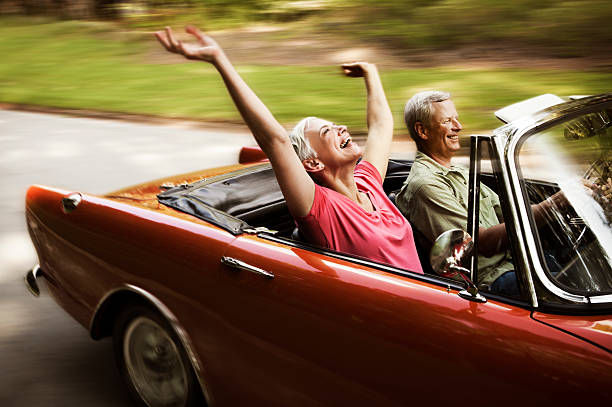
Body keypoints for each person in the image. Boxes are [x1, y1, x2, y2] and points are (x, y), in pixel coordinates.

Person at [154, 26, 423, 274]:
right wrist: (219, 59)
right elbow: (275, 140)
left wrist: (370, 72)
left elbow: (380, 125)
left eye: (335, 125)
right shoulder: (320, 209)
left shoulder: (368, 183)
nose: (341, 127)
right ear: (313, 163)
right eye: (327, 132)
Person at [396, 91, 516, 294]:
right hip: (492, 282)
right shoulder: (425, 185)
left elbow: (509, 213)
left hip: (515, 262)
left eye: (457, 119)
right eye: (447, 121)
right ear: (422, 131)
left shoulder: (458, 170)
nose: (458, 127)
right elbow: (481, 243)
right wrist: (554, 204)